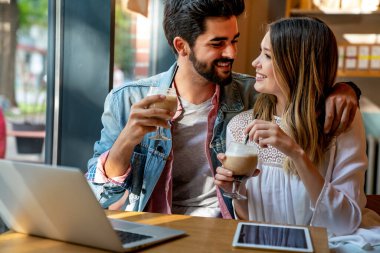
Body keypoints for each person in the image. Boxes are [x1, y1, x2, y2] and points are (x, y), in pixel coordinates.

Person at [86, 0, 359, 219]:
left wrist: (345, 90)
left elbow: (300, 82)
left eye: (234, 40)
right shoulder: (128, 99)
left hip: (223, 227)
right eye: (218, 44)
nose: (232, 53)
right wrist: (126, 140)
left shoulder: (254, 93)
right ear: (182, 46)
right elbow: (100, 197)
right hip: (157, 224)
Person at [214, 17, 380, 251]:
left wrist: (296, 153)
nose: (254, 62)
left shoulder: (340, 124)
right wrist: (235, 191)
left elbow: (344, 223)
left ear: (296, 64)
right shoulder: (242, 126)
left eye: (267, 56)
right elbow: (248, 219)